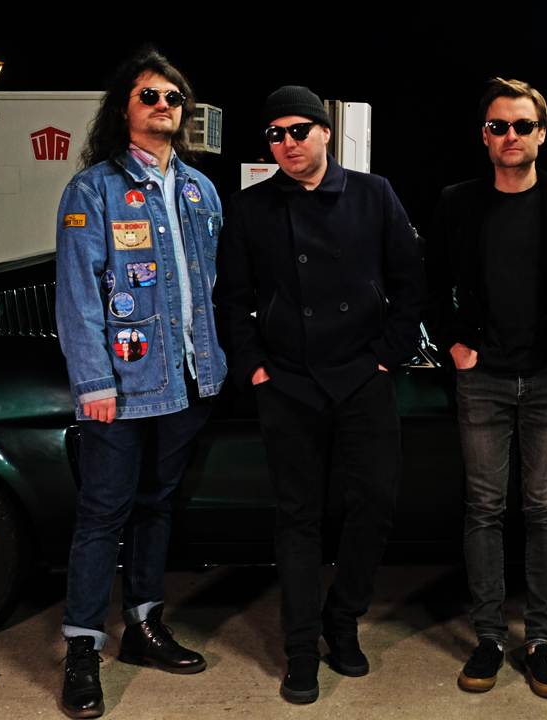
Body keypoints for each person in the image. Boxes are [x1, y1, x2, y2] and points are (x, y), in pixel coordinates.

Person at [214, 85, 425, 704]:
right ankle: (302, 645)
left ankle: (344, 618)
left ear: (325, 132)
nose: (287, 143)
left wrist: (387, 354)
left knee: (376, 503)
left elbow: (411, 281)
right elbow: (232, 298)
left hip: (362, 375)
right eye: (275, 134)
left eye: (298, 130)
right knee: (297, 518)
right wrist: (253, 366)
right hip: (288, 380)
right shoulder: (250, 207)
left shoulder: (373, 193)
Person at [425, 78, 547, 699]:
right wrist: (454, 343)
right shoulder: (457, 201)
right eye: (499, 126)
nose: (511, 135)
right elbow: (433, 284)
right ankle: (486, 636)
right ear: (484, 135)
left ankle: (540, 640)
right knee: (483, 508)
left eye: (522, 125)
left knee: (544, 509)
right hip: (482, 378)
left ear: (541, 133)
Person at [54, 46, 226, 719]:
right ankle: (82, 649)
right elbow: (78, 296)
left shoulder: (200, 190)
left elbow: (214, 287)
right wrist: (94, 381)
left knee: (158, 505)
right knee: (103, 514)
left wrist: (218, 363)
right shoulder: (93, 190)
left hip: (187, 381)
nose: (163, 105)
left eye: (173, 97)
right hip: (122, 386)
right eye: (148, 95)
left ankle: (144, 625)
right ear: (123, 109)